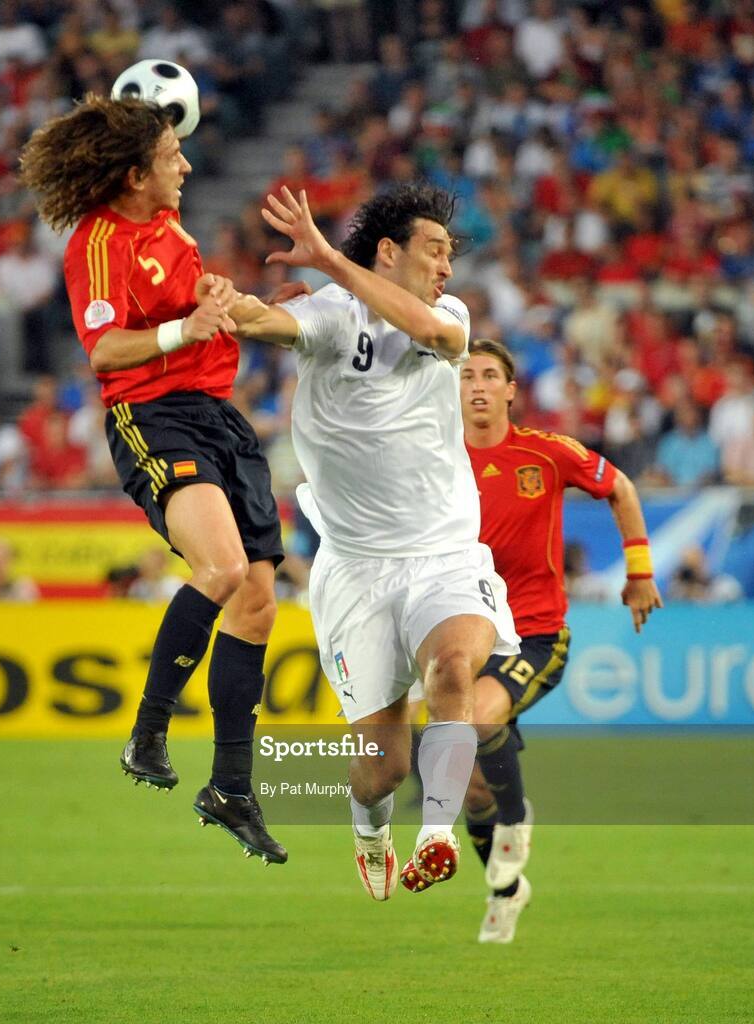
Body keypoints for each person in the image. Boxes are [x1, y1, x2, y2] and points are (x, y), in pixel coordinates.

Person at [229, 184, 519, 901]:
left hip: (445, 553)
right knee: (381, 767)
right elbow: (262, 323)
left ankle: (436, 837)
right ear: (389, 252)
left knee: (452, 667)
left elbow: (439, 335)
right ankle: (370, 830)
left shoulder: (447, 315)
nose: (446, 268)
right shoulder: (326, 316)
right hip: (355, 571)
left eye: (450, 255)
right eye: (434, 251)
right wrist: (224, 300)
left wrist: (326, 256)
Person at [19, 94, 287, 865]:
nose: (187, 166)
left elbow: (192, 312)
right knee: (223, 568)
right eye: (173, 158)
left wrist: (222, 302)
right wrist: (182, 327)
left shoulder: (170, 228)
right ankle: (148, 731)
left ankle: (231, 785)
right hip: (152, 415)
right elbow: (105, 351)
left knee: (260, 603)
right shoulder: (95, 243)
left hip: (216, 416)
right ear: (135, 174)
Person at [456, 338, 662, 942]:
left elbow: (620, 488)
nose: (477, 384)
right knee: (466, 785)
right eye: (467, 374)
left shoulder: (545, 453)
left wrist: (641, 573)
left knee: (472, 723)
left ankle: (517, 820)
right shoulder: (435, 458)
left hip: (535, 635)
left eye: (490, 374)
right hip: (461, 638)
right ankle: (504, 888)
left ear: (511, 390)